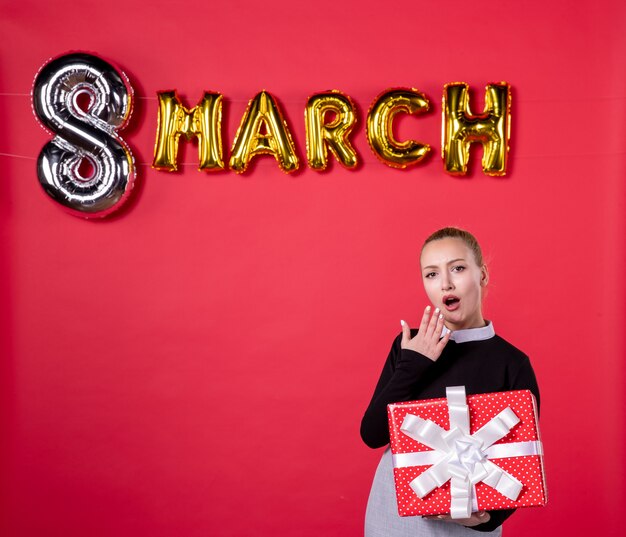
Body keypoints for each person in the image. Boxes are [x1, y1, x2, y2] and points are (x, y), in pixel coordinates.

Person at [360, 227, 540, 536]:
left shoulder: (512, 363)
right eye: (431, 274)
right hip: (396, 514)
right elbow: (372, 434)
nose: (445, 283)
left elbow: (522, 459)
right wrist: (414, 363)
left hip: (471, 518)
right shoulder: (410, 344)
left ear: (481, 275)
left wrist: (485, 520)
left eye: (457, 268)